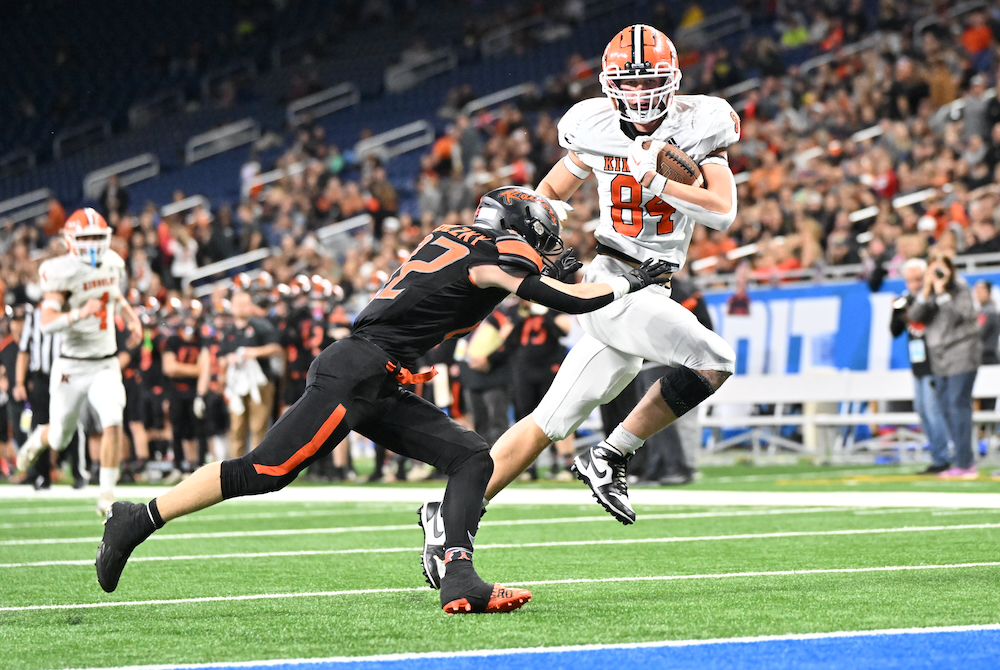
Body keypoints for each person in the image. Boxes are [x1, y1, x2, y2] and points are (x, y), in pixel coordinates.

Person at [95, 186, 672, 614]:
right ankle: (136, 518)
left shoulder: (453, 237)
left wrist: (555, 273)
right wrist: (630, 281)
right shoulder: (496, 255)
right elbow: (567, 300)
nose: (543, 249)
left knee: (473, 458)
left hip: (377, 374)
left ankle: (459, 575)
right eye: (539, 239)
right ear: (517, 229)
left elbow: (499, 280)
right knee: (264, 470)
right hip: (359, 372)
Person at [419, 24, 739, 579]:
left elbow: (721, 210)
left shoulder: (702, 121)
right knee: (714, 359)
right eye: (629, 83)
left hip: (650, 285)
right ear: (608, 84)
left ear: (674, 80)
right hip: (615, 280)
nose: (640, 96)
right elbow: (547, 195)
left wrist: (658, 182)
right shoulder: (590, 126)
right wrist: (543, 239)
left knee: (546, 423)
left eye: (651, 82)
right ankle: (610, 455)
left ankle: (447, 514)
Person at [16, 209, 143, 513]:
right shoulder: (61, 271)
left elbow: (112, 293)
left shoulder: (112, 263)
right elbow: (47, 322)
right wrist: (79, 314)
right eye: (84, 237)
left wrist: (130, 317)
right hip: (71, 365)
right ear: (70, 240)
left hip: (104, 362)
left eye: (97, 238)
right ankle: (39, 438)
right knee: (60, 438)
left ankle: (107, 495)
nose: (91, 244)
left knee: (113, 416)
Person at [909, 252, 982, 480]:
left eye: (942, 269)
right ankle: (960, 458)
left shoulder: (959, 288)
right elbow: (914, 316)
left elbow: (961, 316)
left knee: (958, 405)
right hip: (938, 358)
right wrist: (926, 291)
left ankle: (965, 462)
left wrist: (941, 292)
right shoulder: (928, 292)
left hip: (962, 353)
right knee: (945, 407)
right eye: (933, 269)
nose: (938, 274)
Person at [892, 258, 951, 474]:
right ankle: (937, 455)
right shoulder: (904, 300)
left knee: (933, 411)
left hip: (934, 363)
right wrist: (897, 311)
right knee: (923, 411)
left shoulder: (932, 299)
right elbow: (895, 331)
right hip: (917, 364)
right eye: (910, 280)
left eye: (918, 279)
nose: (913, 284)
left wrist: (921, 298)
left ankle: (942, 458)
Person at [219, 291, 281, 457]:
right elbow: (220, 358)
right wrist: (229, 359)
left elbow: (276, 348)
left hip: (260, 382)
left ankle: (256, 469)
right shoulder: (228, 331)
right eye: (238, 304)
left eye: (245, 304)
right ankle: (235, 469)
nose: (241, 308)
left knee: (258, 426)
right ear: (231, 307)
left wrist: (254, 352)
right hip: (236, 385)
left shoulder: (262, 326)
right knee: (236, 427)